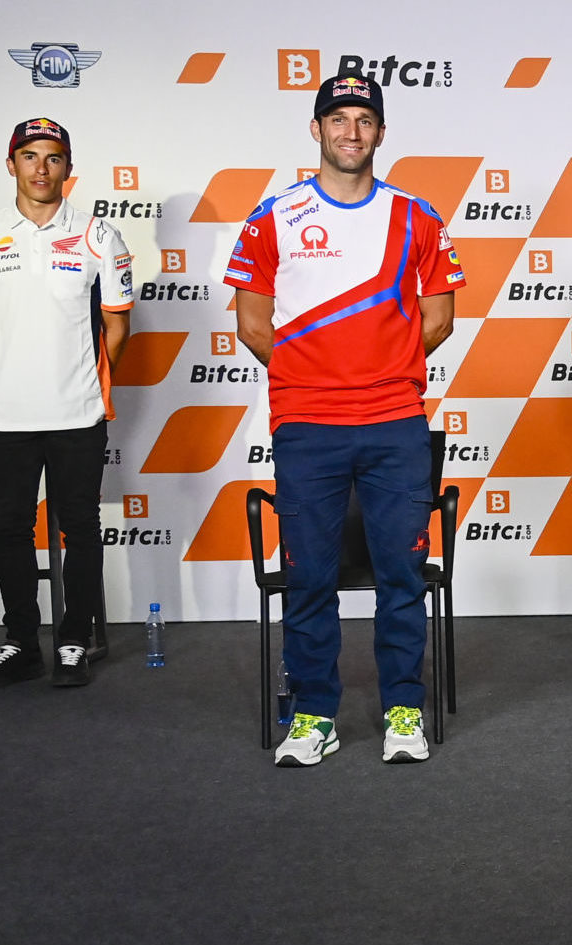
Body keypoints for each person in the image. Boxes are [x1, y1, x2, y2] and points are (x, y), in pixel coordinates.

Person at [228, 75, 465, 765]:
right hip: (305, 425)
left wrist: (378, 370)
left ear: (381, 133)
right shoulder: (274, 216)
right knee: (309, 577)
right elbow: (250, 320)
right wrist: (314, 375)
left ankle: (401, 710)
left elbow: (441, 316)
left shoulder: (417, 217)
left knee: (401, 573)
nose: (351, 131)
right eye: (338, 118)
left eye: (364, 119)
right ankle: (314, 715)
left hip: (395, 422)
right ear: (316, 129)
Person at [0, 118, 131, 689]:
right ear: (11, 165)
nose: (41, 168)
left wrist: (81, 381)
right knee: (10, 531)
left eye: (52, 158)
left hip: (78, 414)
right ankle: (22, 643)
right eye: (29, 156)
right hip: (6, 417)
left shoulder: (101, 236)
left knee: (80, 529)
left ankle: (73, 641)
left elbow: (117, 328)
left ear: (68, 168)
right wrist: (11, 376)